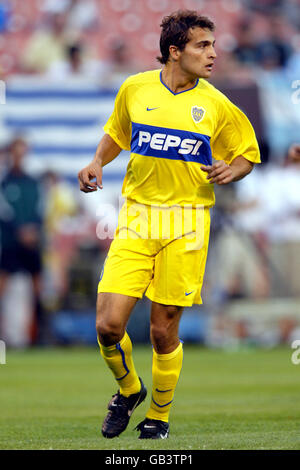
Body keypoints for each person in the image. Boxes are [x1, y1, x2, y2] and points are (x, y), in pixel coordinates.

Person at [78, 10, 260, 440]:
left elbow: (246, 154)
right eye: (202, 45)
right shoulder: (136, 88)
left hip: (189, 221)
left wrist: (233, 171)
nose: (213, 54)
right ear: (174, 52)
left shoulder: (217, 104)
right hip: (138, 216)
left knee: (163, 330)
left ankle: (158, 417)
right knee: (107, 325)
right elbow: (117, 133)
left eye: (213, 45)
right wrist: (96, 162)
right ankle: (129, 389)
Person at [0, 137, 43, 343]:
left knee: (38, 288)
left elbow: (39, 210)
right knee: (3, 287)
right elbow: (5, 212)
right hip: (10, 244)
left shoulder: (33, 182)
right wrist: (20, 231)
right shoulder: (4, 182)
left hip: (31, 244)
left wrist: (32, 231)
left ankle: (40, 333)